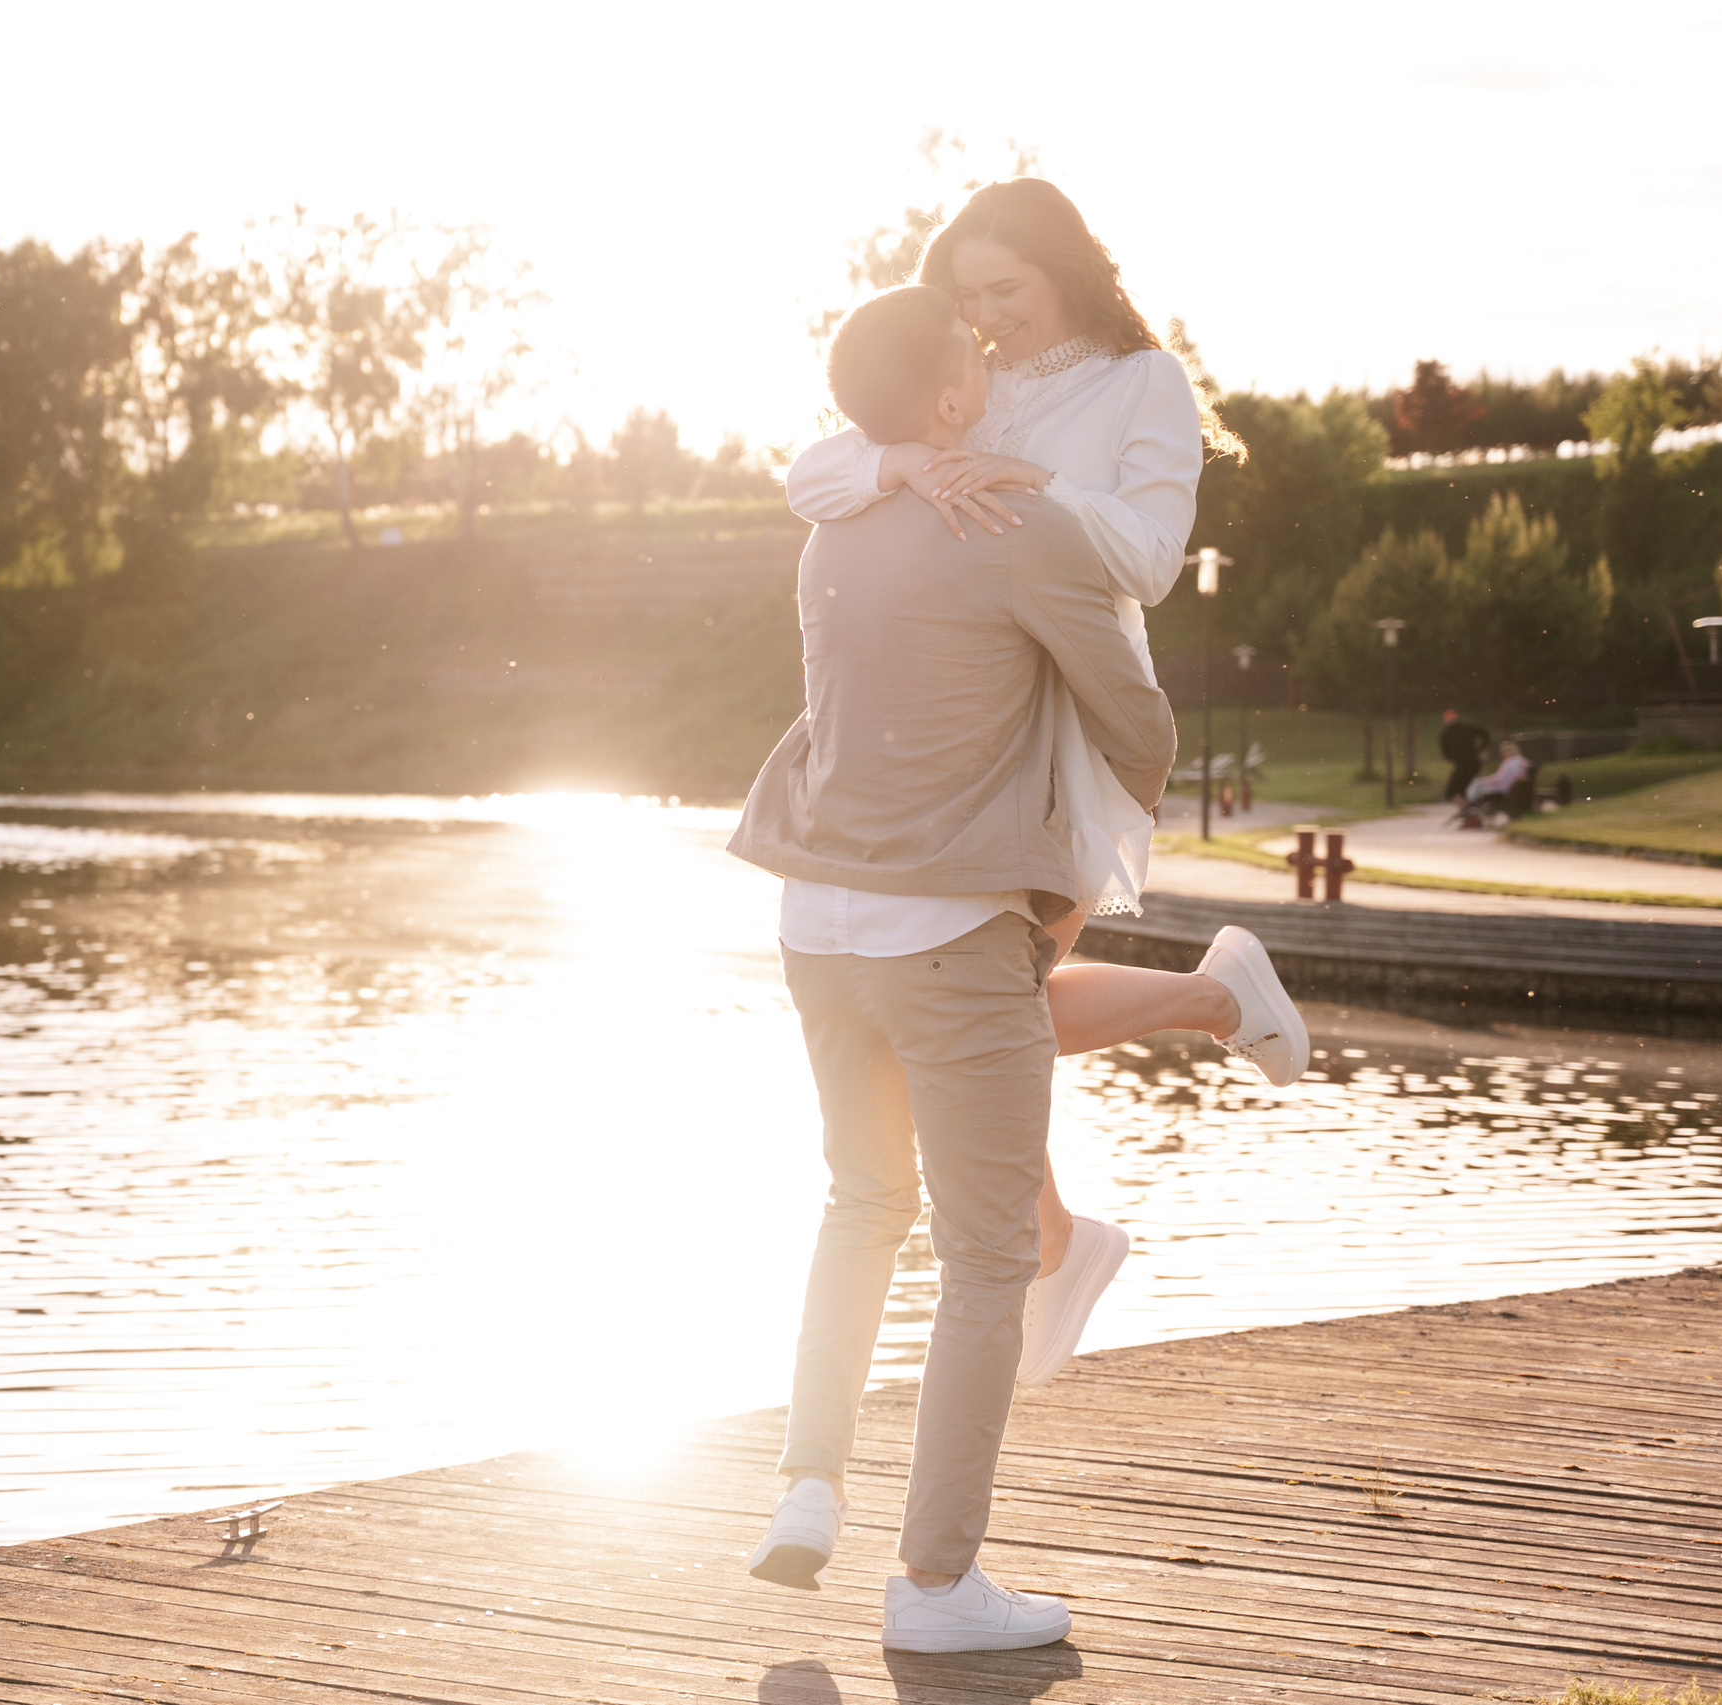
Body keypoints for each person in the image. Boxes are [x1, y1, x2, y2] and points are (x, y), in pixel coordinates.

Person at [728, 286, 1228, 1653]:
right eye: (974, 362)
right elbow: (1140, 723)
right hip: (943, 933)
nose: (995, 371)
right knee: (988, 1257)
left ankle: (810, 1483)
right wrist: (1072, 883)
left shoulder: (832, 524)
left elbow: (828, 465)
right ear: (950, 403)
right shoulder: (1018, 520)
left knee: (860, 1203)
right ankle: (939, 1585)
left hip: (815, 922)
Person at [782, 178, 1306, 1390]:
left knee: (964, 1015)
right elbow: (812, 478)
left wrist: (1013, 488)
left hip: (1067, 723)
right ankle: (1064, 1233)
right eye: (965, 298)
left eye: (1002, 291)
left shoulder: (1144, 385)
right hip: (964, 731)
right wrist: (912, 465)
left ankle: (1189, 1043)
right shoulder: (965, 379)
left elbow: (1149, 559)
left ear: (1063, 270)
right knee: (951, 1020)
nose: (984, 317)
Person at [1439, 710, 1490, 802]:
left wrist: (1454, 758)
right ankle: (1470, 808)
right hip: (1474, 762)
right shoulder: (1468, 728)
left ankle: (1466, 809)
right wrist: (1480, 749)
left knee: (1452, 791)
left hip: (1461, 764)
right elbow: (1485, 734)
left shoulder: (1445, 734)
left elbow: (1445, 752)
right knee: (1466, 787)